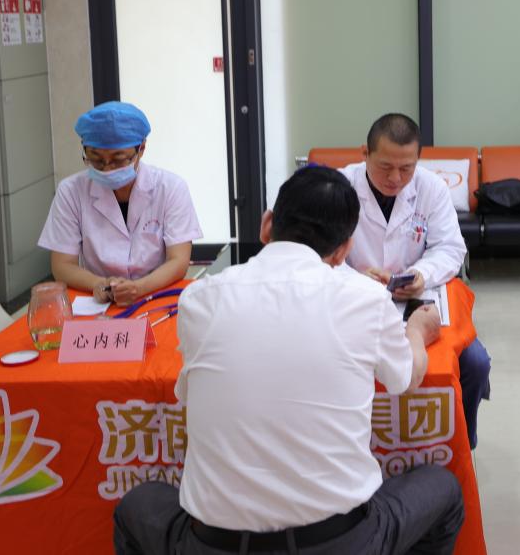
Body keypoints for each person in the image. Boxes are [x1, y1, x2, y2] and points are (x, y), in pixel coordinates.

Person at [113, 166, 464, 555]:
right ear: (344, 249)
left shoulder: (200, 298)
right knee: (443, 489)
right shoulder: (365, 299)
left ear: (267, 225)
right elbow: (405, 379)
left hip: (214, 543)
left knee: (137, 505)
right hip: (339, 542)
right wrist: (416, 331)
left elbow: (189, 393)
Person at [338, 113, 492, 449]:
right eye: (385, 166)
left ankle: (460, 444)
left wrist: (422, 274)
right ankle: (365, 447)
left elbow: (450, 247)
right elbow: (318, 255)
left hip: (417, 301)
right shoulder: (339, 188)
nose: (395, 178)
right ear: (364, 153)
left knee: (476, 363)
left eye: (406, 168)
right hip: (352, 300)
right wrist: (356, 279)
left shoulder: (430, 187)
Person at [38, 101, 202, 306]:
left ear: (141, 149)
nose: (107, 169)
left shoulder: (171, 188)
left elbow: (179, 260)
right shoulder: (71, 191)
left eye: (118, 159)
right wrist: (99, 284)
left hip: (156, 294)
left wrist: (139, 288)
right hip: (97, 299)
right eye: (96, 159)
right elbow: (62, 265)